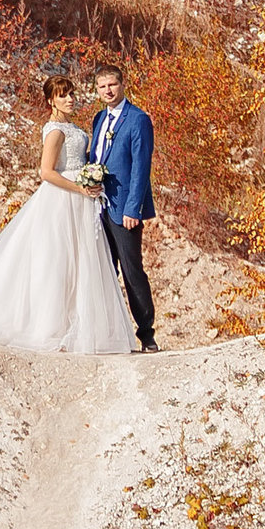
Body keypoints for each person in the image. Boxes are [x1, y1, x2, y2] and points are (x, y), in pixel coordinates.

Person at [0, 74, 140, 354]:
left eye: (71, 94)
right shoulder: (55, 130)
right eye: (62, 95)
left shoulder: (72, 126)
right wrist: (79, 188)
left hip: (81, 202)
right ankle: (49, 326)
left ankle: (77, 325)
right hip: (62, 200)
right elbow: (46, 173)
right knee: (56, 261)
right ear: (50, 100)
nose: (70, 99)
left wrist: (90, 182)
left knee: (80, 263)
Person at [88, 62, 160, 352]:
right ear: (96, 90)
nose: (108, 90)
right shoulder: (97, 119)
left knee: (132, 272)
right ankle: (109, 335)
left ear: (122, 85)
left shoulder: (138, 119)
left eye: (112, 85)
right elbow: (95, 157)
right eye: (102, 86)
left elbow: (142, 167)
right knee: (103, 271)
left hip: (124, 211)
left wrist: (134, 208)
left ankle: (147, 334)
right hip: (98, 208)